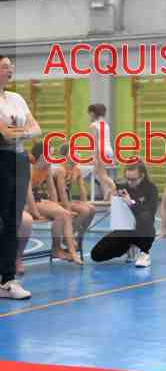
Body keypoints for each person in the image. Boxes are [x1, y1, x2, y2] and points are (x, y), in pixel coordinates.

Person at [0, 55, 42, 299]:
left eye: (11, 66)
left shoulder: (16, 98)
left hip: (18, 160)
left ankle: (7, 280)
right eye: (5, 66)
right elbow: (4, 134)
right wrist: (23, 131)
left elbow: (37, 128)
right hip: (1, 159)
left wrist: (20, 132)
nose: (10, 70)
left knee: (13, 221)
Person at [90, 161, 159, 268]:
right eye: (128, 179)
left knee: (145, 217)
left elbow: (149, 213)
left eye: (133, 179)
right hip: (125, 231)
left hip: (143, 231)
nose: (130, 182)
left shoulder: (151, 189)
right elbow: (103, 177)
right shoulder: (123, 187)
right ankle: (129, 247)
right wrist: (98, 159)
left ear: (142, 176)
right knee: (96, 255)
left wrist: (130, 202)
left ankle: (144, 253)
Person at [28, 141, 83, 264]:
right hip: (25, 201)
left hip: (37, 198)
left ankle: (61, 249)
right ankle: (67, 251)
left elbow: (52, 189)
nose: (53, 158)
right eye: (51, 155)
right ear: (42, 156)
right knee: (63, 214)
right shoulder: (30, 168)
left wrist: (56, 206)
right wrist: (35, 212)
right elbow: (28, 193)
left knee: (64, 214)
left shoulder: (47, 167)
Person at [51, 142, 96, 251]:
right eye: (75, 152)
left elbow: (82, 191)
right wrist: (68, 210)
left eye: (78, 152)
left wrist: (85, 203)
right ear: (67, 155)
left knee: (92, 209)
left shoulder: (77, 170)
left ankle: (79, 236)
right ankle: (67, 238)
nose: (78, 154)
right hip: (58, 201)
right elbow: (61, 192)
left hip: (68, 200)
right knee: (84, 210)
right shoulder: (61, 170)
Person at [88, 103, 115, 201]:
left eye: (90, 114)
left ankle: (114, 188)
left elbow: (94, 142)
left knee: (102, 175)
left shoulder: (93, 125)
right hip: (109, 151)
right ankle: (107, 196)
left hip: (101, 151)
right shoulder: (105, 124)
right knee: (101, 174)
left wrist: (93, 157)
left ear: (93, 114)